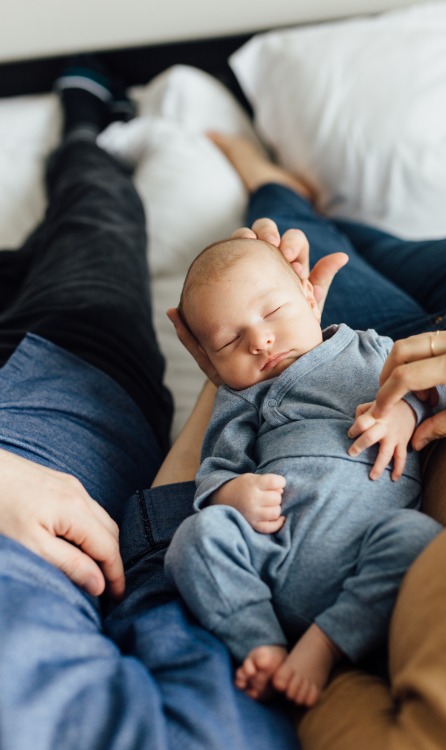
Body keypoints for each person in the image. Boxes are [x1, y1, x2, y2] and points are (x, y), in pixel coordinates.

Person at [0, 59, 305, 750]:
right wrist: (224, 377)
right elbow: (164, 577)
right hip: (72, 388)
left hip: (43, 401)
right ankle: (86, 132)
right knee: (97, 224)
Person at [164, 236, 446, 707]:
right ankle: (260, 640)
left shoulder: (370, 349)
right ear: (210, 362)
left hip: (369, 544)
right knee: (194, 539)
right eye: (229, 341)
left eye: (272, 312)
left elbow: (434, 378)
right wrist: (232, 493)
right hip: (271, 550)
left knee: (417, 537)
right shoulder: (240, 398)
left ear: (309, 296)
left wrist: (406, 412)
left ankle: (325, 642)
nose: (259, 341)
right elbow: (215, 470)